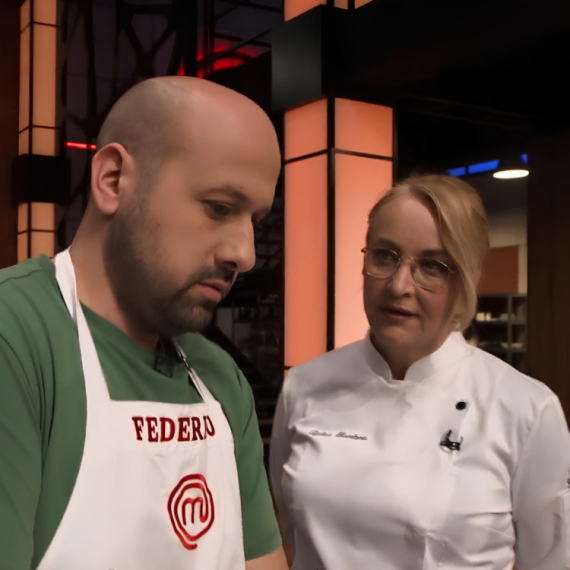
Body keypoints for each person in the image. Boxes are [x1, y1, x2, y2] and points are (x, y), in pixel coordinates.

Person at [0, 77, 288, 570]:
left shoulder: (219, 377)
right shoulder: (18, 335)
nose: (245, 254)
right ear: (113, 179)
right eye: (219, 208)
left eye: (254, 221)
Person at [270, 174, 570, 569]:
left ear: (467, 277)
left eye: (432, 265)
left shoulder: (527, 409)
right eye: (384, 255)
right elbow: (284, 532)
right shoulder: (305, 385)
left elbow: (550, 560)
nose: (399, 285)